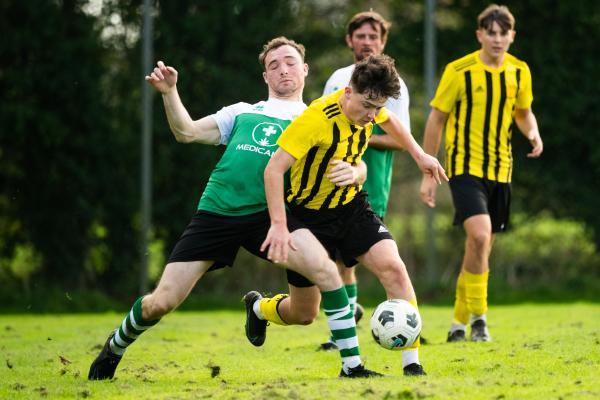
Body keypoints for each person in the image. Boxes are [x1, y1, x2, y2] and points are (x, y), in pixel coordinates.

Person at [88, 37, 381, 380]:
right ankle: (116, 346)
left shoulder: (318, 116)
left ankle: (343, 363)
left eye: (289, 62)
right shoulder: (243, 111)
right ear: (265, 78)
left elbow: (356, 161)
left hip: (274, 217)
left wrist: (356, 172)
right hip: (217, 213)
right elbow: (186, 132)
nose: (282, 69)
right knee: (161, 302)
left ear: (304, 69)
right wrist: (170, 93)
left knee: (309, 307)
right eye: (273, 66)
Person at [259, 54, 447, 376]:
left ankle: (407, 365)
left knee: (394, 268)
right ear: (348, 92)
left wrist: (420, 155)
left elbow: (392, 122)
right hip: (307, 217)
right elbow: (273, 169)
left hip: (351, 207)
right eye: (367, 107)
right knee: (304, 313)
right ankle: (260, 308)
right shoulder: (316, 119)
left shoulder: (372, 105)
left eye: (377, 107)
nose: (372, 115)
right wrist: (278, 224)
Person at [419, 4, 543, 343]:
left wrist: (533, 133)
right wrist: (429, 170)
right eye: (491, 32)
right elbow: (436, 119)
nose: (498, 38)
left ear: (512, 36)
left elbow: (523, 112)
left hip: (501, 170)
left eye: (504, 33)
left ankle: (459, 324)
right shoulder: (459, 71)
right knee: (479, 236)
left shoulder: (520, 71)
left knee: (480, 246)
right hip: (464, 168)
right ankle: (480, 320)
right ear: (480, 35)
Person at [319, 10, 409, 350]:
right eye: (361, 36)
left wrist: (360, 134)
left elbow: (399, 138)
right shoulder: (338, 78)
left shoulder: (395, 85)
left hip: (373, 183)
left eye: (374, 37)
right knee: (338, 260)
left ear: (383, 42)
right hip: (336, 179)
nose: (367, 42)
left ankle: (398, 319)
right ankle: (342, 328)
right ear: (349, 41)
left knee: (365, 258)